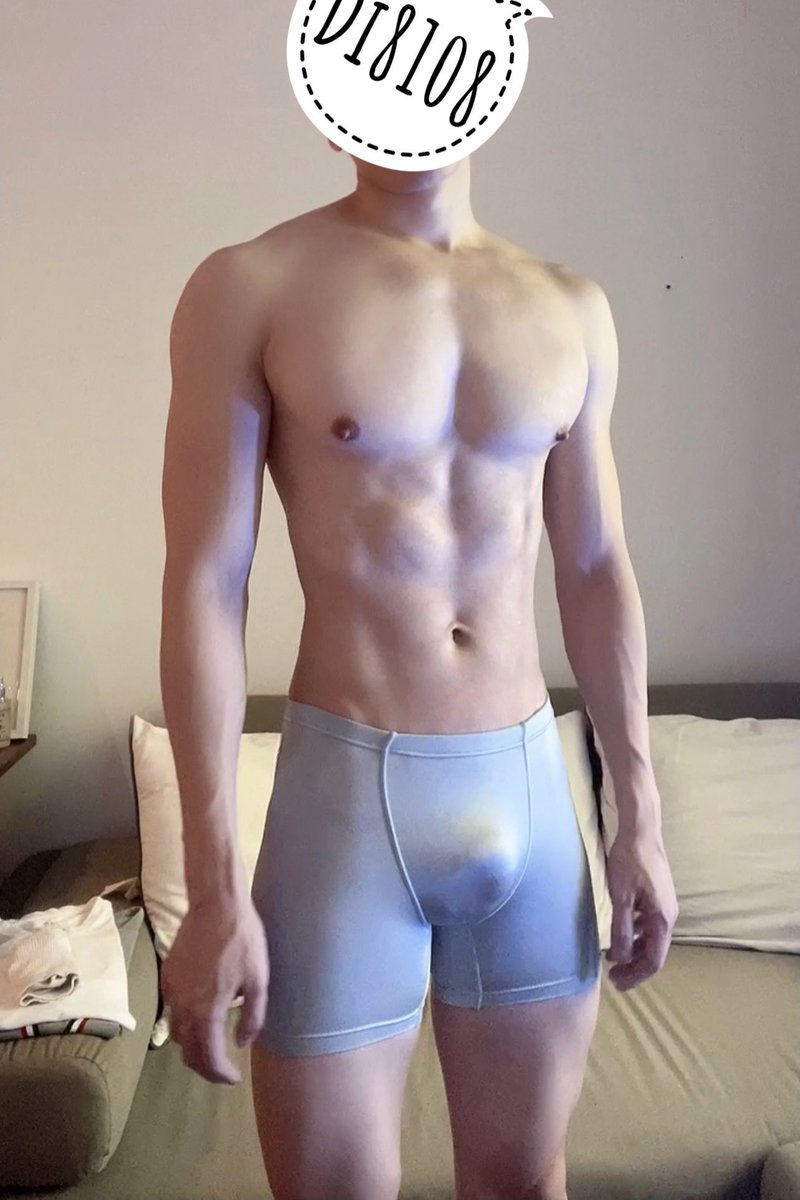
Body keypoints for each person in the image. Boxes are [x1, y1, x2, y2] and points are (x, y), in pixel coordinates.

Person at [159, 138, 679, 1200]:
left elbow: (593, 568)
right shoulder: (250, 286)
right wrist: (211, 889)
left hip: (527, 790)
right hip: (349, 799)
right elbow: (207, 584)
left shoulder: (570, 308)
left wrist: (640, 813)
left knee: (524, 1182)